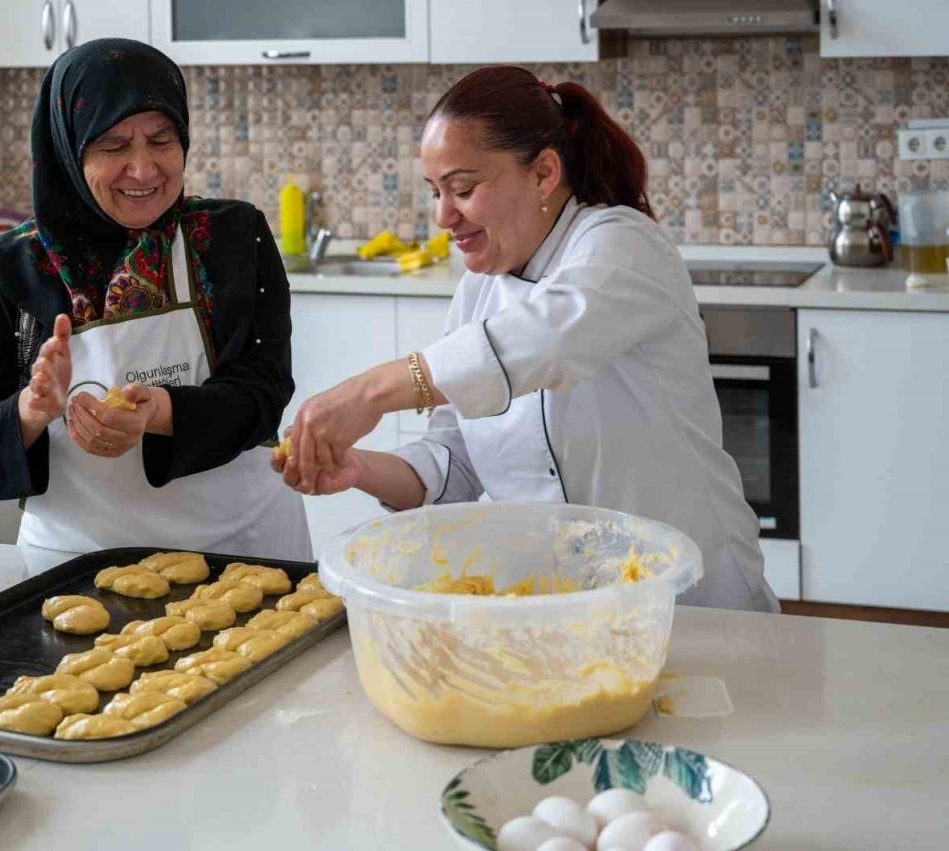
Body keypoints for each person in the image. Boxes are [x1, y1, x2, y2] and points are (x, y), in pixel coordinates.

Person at [275, 66, 776, 612]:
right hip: (561, 611)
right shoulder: (477, 292)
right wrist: (358, 468)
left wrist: (369, 392)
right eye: (436, 192)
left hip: (694, 601)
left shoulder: (622, 245)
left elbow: (545, 342)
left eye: (463, 189)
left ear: (543, 173)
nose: (444, 215)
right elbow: (454, 465)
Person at [0, 38, 311, 562]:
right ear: (68, 149)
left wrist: (162, 411)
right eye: (112, 146)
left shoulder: (231, 239)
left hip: (242, 549)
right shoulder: (5, 271)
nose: (143, 169)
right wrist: (30, 411)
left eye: (161, 139)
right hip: (71, 567)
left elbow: (265, 390)